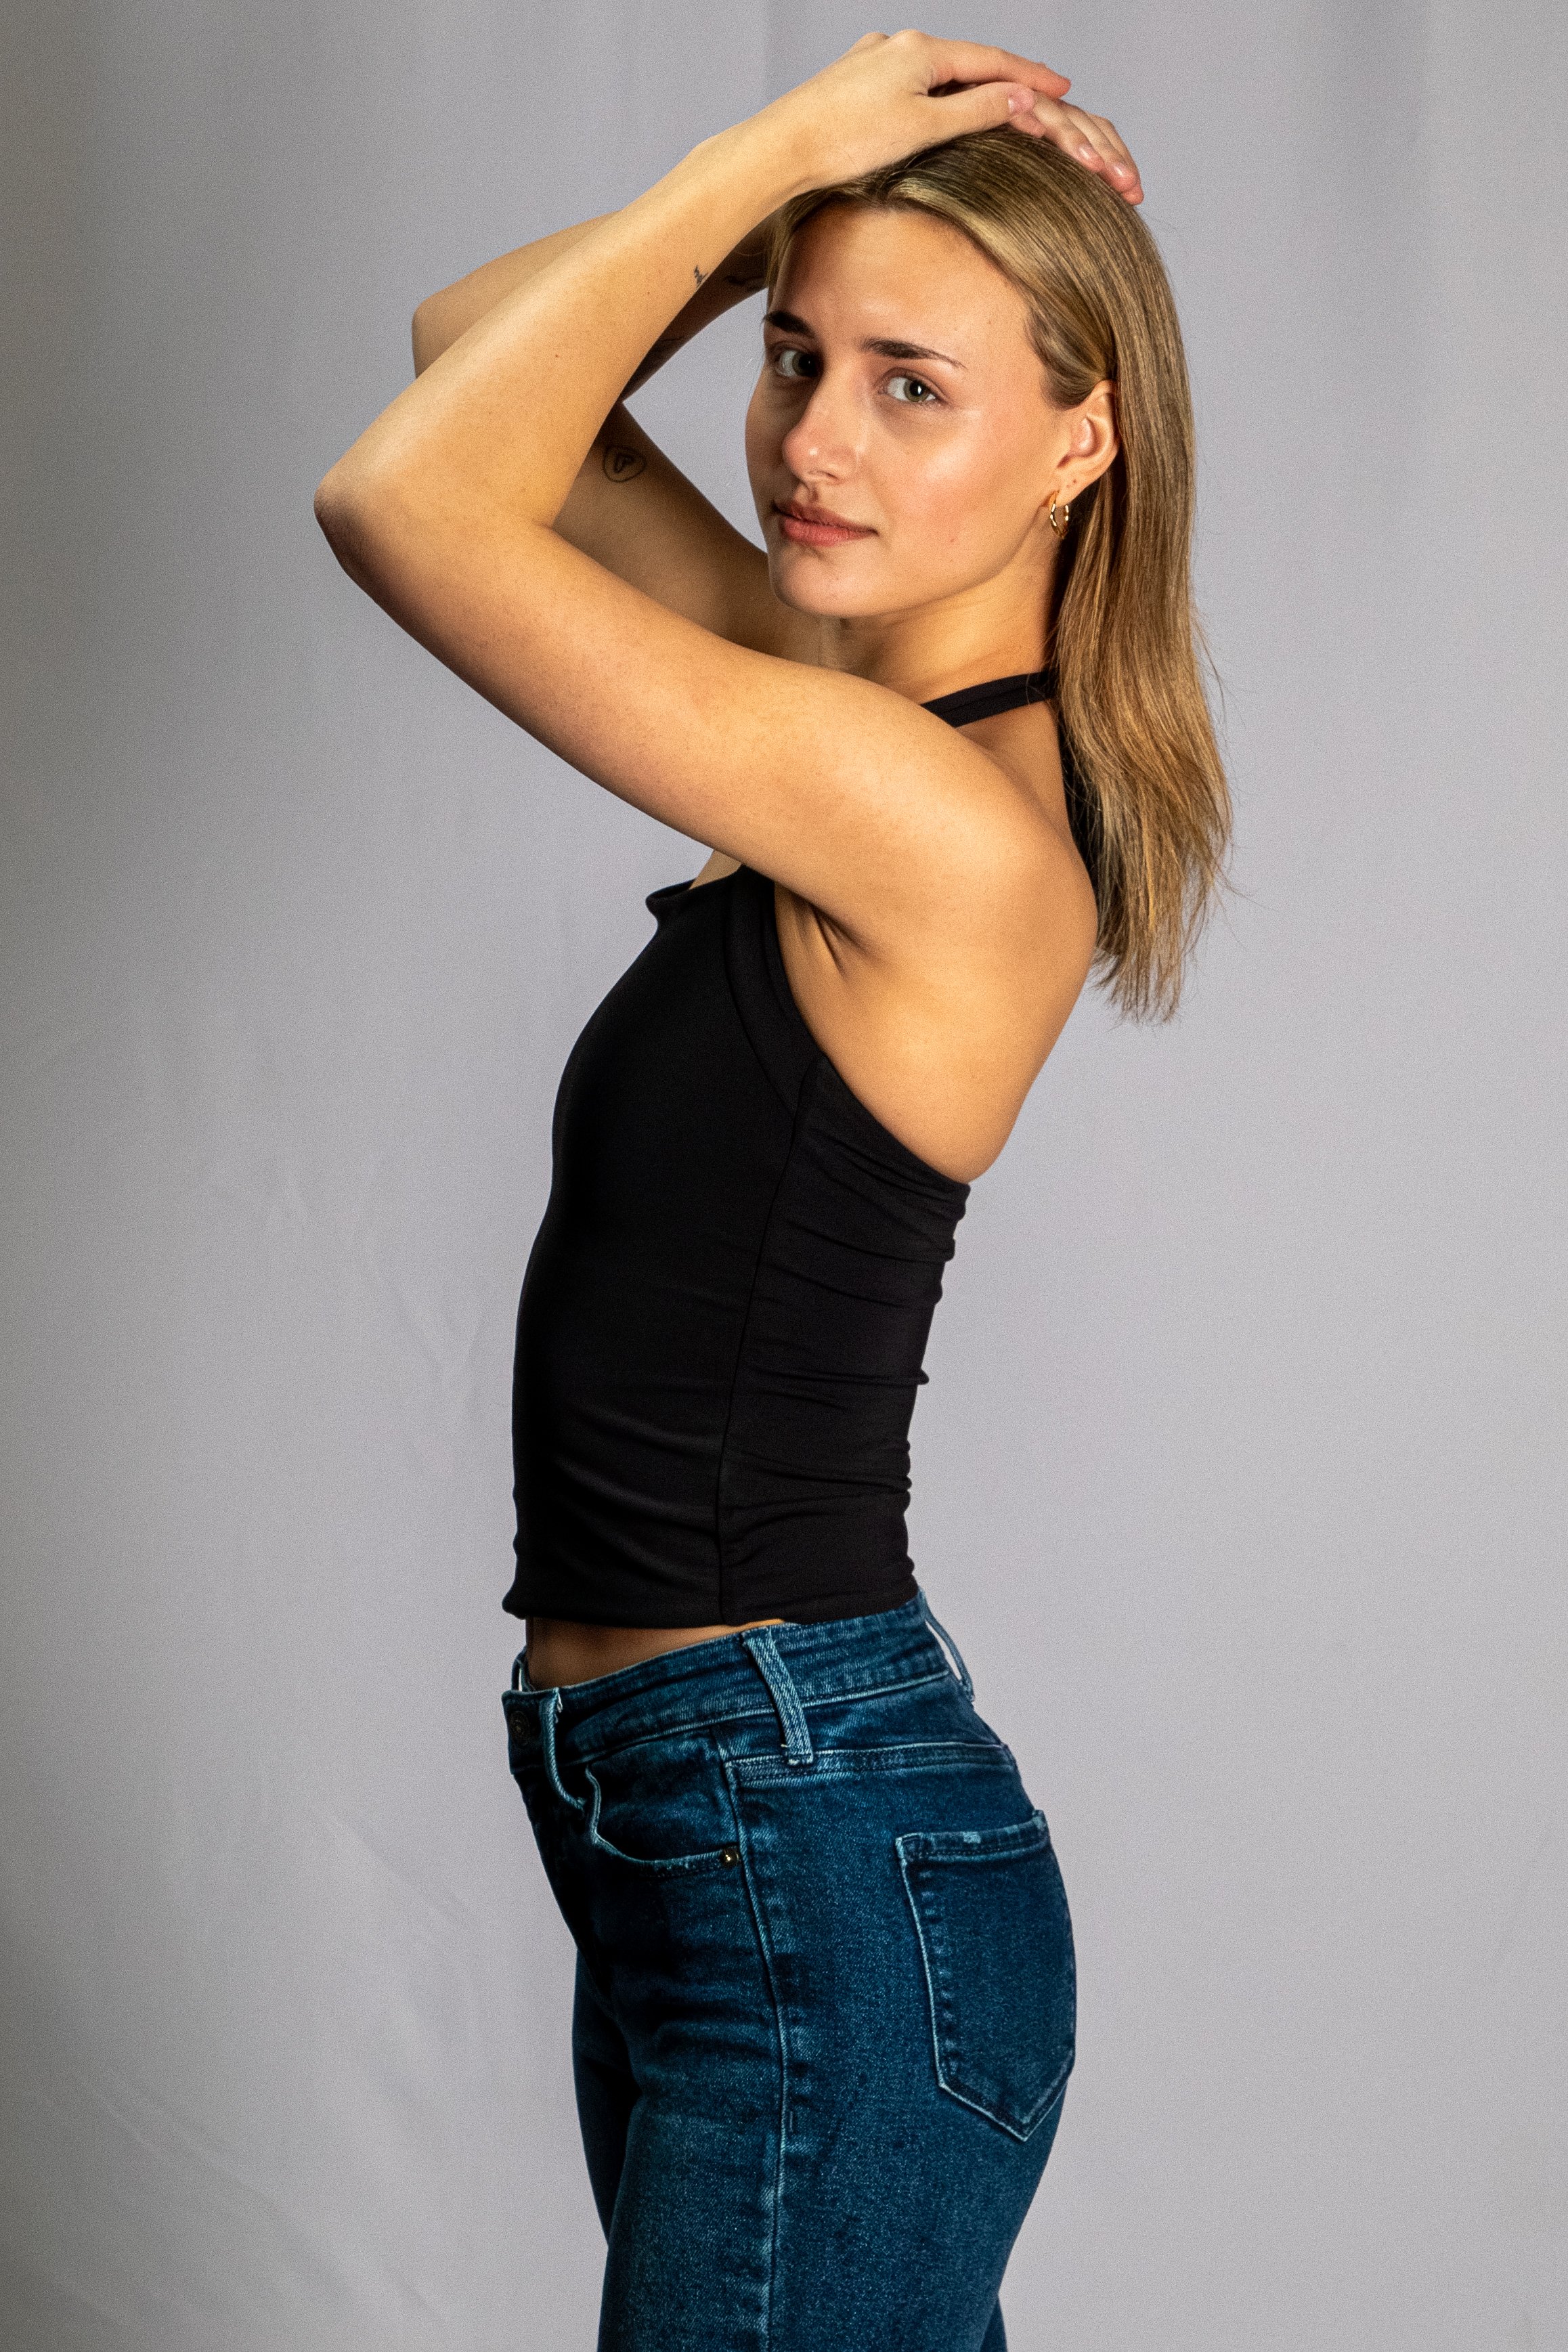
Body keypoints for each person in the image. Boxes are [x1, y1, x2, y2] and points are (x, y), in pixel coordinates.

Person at [315, 30, 1228, 2349]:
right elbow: (468, 356)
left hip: (793, 1831)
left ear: (1080, 437)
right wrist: (782, 209)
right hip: (714, 1819)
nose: (811, 433)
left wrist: (787, 152)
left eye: (911, 385)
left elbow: (406, 496)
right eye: (795, 357)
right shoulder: (842, 723)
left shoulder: (932, 818)